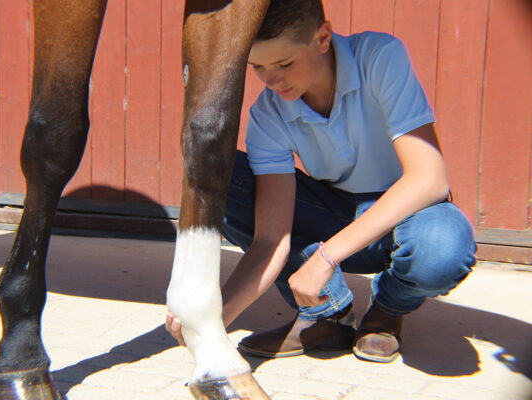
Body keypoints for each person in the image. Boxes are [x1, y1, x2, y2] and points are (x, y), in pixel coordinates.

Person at [167, 0, 476, 363]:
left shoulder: (380, 57)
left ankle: (387, 310)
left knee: (443, 248)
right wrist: (213, 322)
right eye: (258, 67)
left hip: (405, 216)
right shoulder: (268, 113)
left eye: (284, 64)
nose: (272, 81)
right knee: (220, 175)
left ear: (323, 37)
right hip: (334, 212)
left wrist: (327, 256)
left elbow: (430, 179)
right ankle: (327, 315)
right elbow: (270, 240)